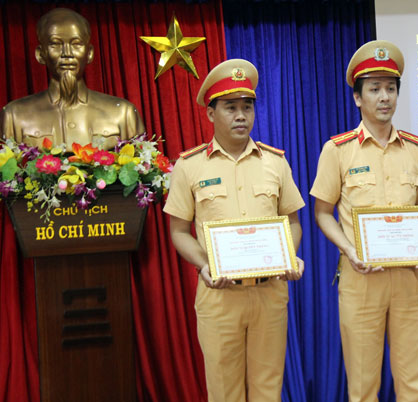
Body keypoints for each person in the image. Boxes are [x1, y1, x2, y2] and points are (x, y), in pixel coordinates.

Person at [163, 58, 305, 402]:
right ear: (211, 113)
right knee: (224, 392)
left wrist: (289, 254)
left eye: (247, 106)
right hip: (219, 296)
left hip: (269, 293)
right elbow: (178, 230)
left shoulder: (276, 162)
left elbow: (292, 221)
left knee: (268, 390)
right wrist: (204, 265)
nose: (241, 115)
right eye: (230, 107)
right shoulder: (189, 166)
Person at [310, 40, 418, 402]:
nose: (384, 97)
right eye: (374, 89)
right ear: (358, 98)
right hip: (360, 278)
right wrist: (350, 250)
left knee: (415, 384)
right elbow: (322, 213)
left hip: (410, 279)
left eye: (390, 88)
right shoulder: (337, 150)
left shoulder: (416, 150)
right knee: (363, 386)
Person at [1, 8, 144, 149]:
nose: (67, 53)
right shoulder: (14, 115)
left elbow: (143, 168)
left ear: (89, 53)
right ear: (41, 54)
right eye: (55, 44)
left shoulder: (123, 113)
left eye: (76, 44)